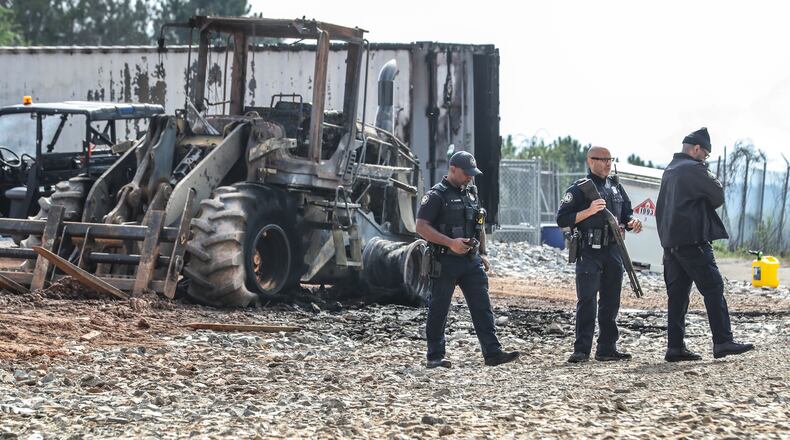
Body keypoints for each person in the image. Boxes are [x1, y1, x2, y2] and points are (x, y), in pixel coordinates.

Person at [656, 127, 754, 362]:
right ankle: (722, 341)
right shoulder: (693, 168)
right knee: (713, 288)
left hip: (671, 245)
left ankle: (675, 347)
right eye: (706, 154)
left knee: (678, 296)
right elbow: (717, 195)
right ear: (696, 148)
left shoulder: (669, 170)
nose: (705, 158)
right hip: (693, 241)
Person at [416, 151, 520, 368]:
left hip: (471, 261)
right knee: (439, 308)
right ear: (453, 169)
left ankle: (492, 352)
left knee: (482, 306)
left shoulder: (471, 193)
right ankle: (435, 356)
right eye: (466, 173)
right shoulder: (437, 195)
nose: (470, 177)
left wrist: (483, 252)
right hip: (444, 260)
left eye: (473, 174)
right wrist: (450, 242)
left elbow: (478, 225)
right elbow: (421, 227)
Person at [556, 146, 643, 363]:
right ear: (590, 161)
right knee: (587, 301)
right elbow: (562, 219)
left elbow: (626, 214)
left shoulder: (615, 187)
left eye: (610, 159)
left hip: (613, 249)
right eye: (602, 159)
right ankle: (582, 350)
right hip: (590, 250)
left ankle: (607, 348)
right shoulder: (580, 189)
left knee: (611, 300)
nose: (607, 163)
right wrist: (588, 211)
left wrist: (632, 223)